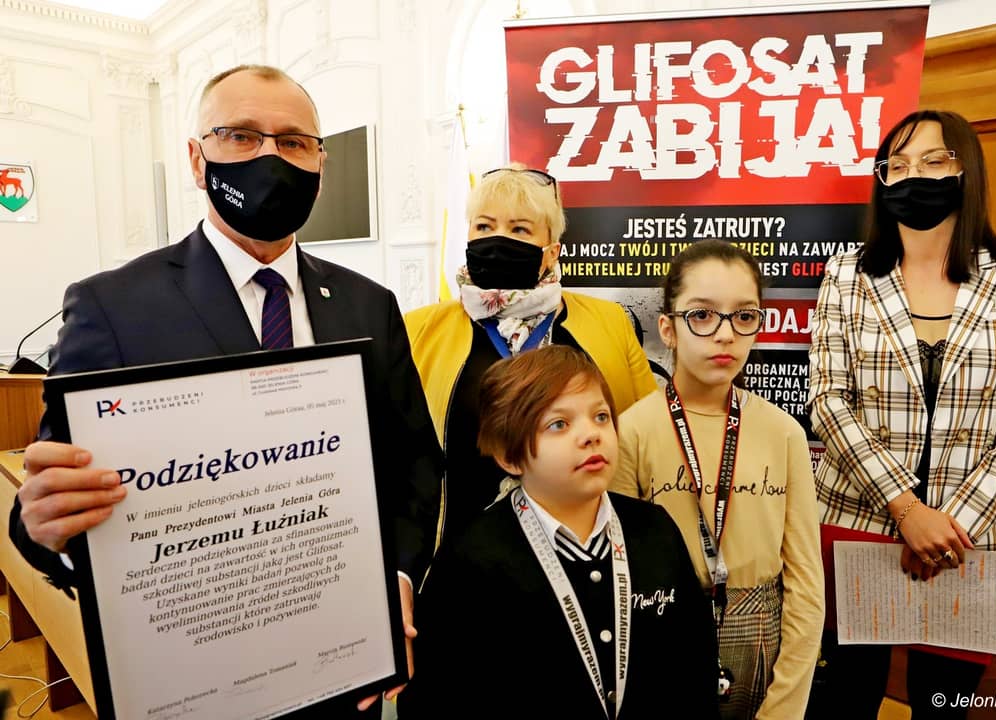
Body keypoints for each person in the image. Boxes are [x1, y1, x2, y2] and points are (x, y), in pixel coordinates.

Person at [9, 64, 442, 714]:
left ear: (320, 164)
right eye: (240, 136)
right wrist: (44, 528)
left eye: (293, 142)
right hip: (191, 678)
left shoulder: (369, 305)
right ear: (196, 158)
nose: (271, 158)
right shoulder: (112, 307)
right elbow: (54, 500)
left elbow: (414, 465)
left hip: (340, 663)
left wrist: (400, 577)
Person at [807, 109, 996, 719]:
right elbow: (828, 399)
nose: (913, 177)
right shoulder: (847, 273)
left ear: (965, 169)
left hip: (970, 537)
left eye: (932, 161)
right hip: (859, 522)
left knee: (942, 703)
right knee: (845, 698)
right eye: (897, 165)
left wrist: (950, 524)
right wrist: (907, 510)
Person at [398, 345, 717, 719]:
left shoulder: (655, 529)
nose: (591, 434)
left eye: (601, 416)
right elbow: (435, 699)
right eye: (559, 424)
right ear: (509, 456)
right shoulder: (470, 560)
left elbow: (695, 667)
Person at [612, 239, 825, 720]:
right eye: (702, 315)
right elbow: (620, 580)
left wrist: (785, 706)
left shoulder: (783, 432)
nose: (725, 334)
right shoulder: (631, 432)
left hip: (762, 635)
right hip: (663, 630)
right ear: (668, 328)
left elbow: (806, 583)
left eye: (744, 316)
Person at [405, 164, 656, 545]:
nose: (497, 239)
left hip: (588, 547)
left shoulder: (610, 324)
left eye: (519, 229)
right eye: (484, 226)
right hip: (458, 553)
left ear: (551, 252)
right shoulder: (418, 330)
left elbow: (643, 438)